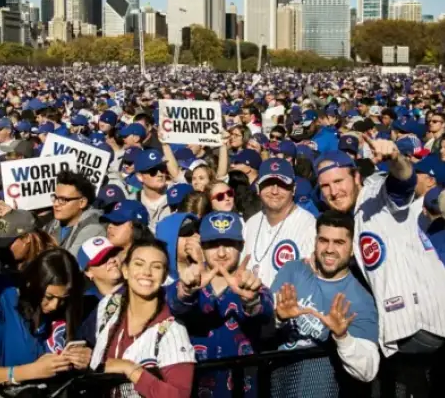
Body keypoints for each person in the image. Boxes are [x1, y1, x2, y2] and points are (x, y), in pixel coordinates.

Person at [315, 142, 445, 397]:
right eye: (326, 186)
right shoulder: (353, 214)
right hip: (419, 327)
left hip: (424, 322)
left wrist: (395, 157)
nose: (334, 191)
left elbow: (404, 181)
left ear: (356, 176)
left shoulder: (377, 193)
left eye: (339, 181)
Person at [271, 210, 380, 396]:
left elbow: (368, 371)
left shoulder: (361, 300)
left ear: (352, 248)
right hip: (278, 385)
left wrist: (342, 336)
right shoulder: (295, 270)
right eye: (323, 240)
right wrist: (278, 318)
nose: (329, 249)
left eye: (339, 242)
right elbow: (262, 331)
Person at [168, 211, 273, 397]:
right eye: (213, 245)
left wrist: (251, 301)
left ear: (241, 246)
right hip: (193, 389)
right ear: (201, 246)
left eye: (229, 244)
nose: (222, 253)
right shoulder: (185, 283)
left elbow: (263, 312)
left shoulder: (254, 287)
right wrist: (187, 292)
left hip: (242, 391)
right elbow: (175, 304)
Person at [89, 239, 195, 398]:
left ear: (165, 276)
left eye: (156, 266)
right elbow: (87, 345)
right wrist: (83, 353)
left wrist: (130, 369)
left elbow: (179, 395)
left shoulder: (172, 330)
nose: (147, 272)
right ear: (125, 270)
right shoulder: (109, 306)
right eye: (139, 264)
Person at [0, 248, 89, 389]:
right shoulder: (0, 302)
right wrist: (32, 371)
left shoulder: (65, 310)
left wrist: (83, 357)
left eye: (63, 299)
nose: (55, 305)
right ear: (32, 283)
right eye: (49, 297)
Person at [242, 158, 317, 287]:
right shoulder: (251, 223)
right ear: (258, 188)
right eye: (268, 184)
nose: (275, 191)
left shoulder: (308, 225)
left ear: (293, 189)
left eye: (282, 185)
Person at [43, 170, 106, 255]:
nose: (56, 204)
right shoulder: (51, 225)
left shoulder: (93, 229)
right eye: (55, 197)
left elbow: (69, 264)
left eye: (63, 200)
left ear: (82, 203)